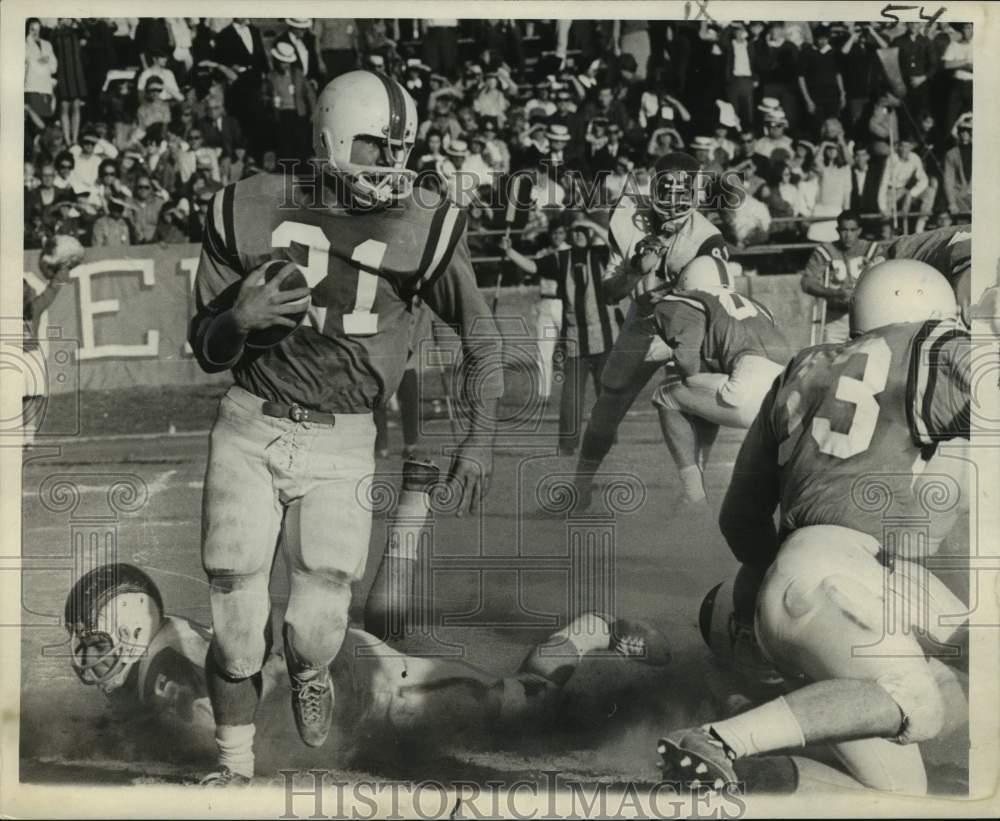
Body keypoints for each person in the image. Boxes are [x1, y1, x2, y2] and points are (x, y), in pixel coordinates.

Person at [187, 70, 502, 785]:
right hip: (250, 426)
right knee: (236, 629)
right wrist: (236, 320)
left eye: (399, 146)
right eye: (371, 144)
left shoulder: (424, 219)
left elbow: (482, 336)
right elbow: (204, 347)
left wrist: (479, 439)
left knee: (315, 629)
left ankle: (308, 669)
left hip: (343, 440)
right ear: (328, 136)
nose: (389, 162)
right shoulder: (251, 203)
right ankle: (233, 765)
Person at [657, 260, 969, 796]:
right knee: (913, 693)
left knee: (903, 793)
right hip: (838, 577)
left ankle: (749, 772)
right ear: (934, 309)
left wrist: (765, 602)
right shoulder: (937, 345)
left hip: (810, 577)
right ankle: (717, 738)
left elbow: (740, 517)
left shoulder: (801, 368)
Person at [64, 563, 669, 757]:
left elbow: (218, 710)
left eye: (94, 642)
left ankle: (588, 633)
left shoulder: (165, 669)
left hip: (359, 683)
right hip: (334, 676)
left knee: (517, 705)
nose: (87, 660)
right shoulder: (159, 658)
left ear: (130, 625)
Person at [573, 152, 730, 508]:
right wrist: (635, 268)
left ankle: (694, 491)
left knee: (699, 399)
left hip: (691, 326)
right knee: (608, 403)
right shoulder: (629, 214)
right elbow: (611, 292)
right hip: (644, 322)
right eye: (667, 187)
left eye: (682, 189)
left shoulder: (707, 239)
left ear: (696, 191)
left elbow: (716, 304)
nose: (674, 197)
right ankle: (580, 486)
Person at [650, 255, 790, 506]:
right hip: (788, 389)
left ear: (687, 278)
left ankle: (693, 493)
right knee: (704, 397)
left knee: (666, 393)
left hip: (749, 386)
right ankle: (696, 487)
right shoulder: (757, 305)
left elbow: (687, 364)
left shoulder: (687, 300)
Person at [799, 209, 881, 343]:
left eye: (852, 230)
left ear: (859, 230)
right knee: (830, 359)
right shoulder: (826, 251)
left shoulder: (871, 250)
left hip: (865, 314)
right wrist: (834, 293)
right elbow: (807, 282)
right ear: (837, 230)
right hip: (835, 317)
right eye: (844, 230)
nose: (848, 235)